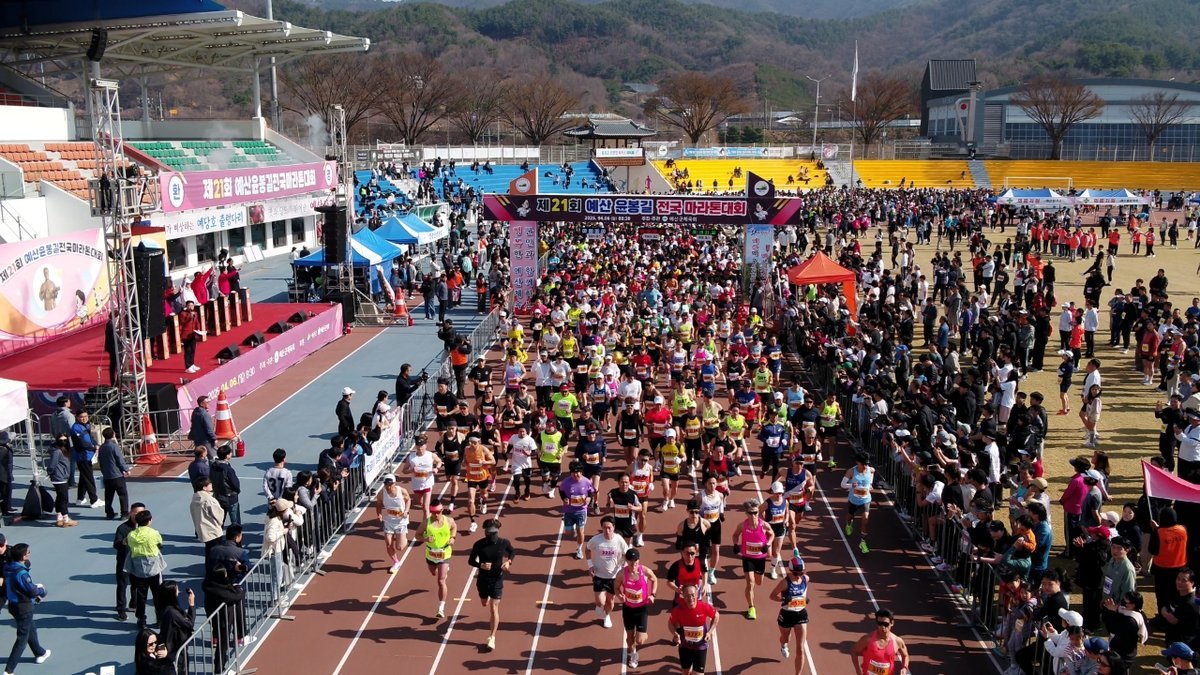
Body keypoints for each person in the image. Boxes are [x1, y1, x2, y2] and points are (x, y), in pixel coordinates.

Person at [467, 518, 514, 651]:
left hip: (496, 580)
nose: (491, 535)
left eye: (494, 533)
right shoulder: (479, 544)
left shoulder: (503, 542)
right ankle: (485, 598)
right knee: (484, 603)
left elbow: (512, 552)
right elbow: (470, 561)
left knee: (494, 608)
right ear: (485, 532)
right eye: (489, 533)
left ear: (497, 531)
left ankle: (492, 637)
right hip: (482, 579)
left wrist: (508, 562)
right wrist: (480, 565)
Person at [3, 543, 50, 672]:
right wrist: (41, 591)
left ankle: (40, 653)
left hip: (13, 605)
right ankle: (8, 670)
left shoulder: (8, 568)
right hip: (23, 608)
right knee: (21, 640)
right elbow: (31, 591)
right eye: (28, 552)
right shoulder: (21, 573)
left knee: (31, 629)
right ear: (23, 556)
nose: (29, 554)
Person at [585, 515, 630, 629]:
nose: (607, 530)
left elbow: (626, 553)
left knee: (610, 601)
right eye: (604, 528)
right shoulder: (596, 540)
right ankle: (600, 607)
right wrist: (590, 565)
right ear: (601, 528)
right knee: (600, 602)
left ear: (613, 527)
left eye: (609, 528)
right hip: (599, 575)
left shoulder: (619, 540)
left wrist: (624, 564)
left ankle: (606, 616)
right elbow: (587, 549)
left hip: (614, 577)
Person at [615, 548, 657, 669]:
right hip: (628, 609)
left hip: (641, 609)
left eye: (636, 560)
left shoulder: (645, 571)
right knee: (629, 637)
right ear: (627, 561)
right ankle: (632, 654)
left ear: (638, 560)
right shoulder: (621, 574)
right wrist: (620, 595)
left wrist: (652, 594)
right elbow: (616, 588)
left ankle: (642, 634)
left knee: (640, 640)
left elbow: (654, 579)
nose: (634, 563)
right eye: (631, 561)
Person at [732, 498, 774, 620]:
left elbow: (772, 534)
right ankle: (751, 607)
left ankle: (756, 579)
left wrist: (768, 544)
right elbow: (735, 535)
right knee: (750, 582)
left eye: (755, 512)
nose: (754, 515)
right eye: (751, 513)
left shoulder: (764, 525)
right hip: (747, 557)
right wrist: (736, 544)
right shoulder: (742, 525)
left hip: (760, 558)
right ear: (746, 513)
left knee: (758, 582)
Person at [126, 509, 167, 631]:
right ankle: (159, 619)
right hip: (153, 569)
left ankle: (141, 620)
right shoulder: (154, 533)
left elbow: (129, 545)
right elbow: (160, 544)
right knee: (158, 595)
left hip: (139, 570)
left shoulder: (131, 535)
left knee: (141, 596)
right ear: (149, 521)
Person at [416, 502, 457, 619]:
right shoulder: (426, 523)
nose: (436, 514)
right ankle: (441, 571)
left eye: (438, 512)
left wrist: (452, 538)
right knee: (433, 573)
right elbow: (417, 535)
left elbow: (454, 527)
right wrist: (425, 539)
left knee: (441, 581)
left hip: (444, 553)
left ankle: (441, 608)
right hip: (431, 554)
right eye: (433, 512)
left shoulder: (449, 521)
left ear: (442, 510)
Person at [770, 556, 810, 674]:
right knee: (785, 638)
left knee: (800, 648)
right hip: (786, 615)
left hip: (801, 615)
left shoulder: (806, 579)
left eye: (801, 572)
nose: (799, 575)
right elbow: (772, 596)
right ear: (791, 571)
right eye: (797, 573)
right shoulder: (784, 583)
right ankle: (783, 645)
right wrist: (783, 600)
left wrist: (804, 599)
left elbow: (803, 594)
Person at [667, 584, 719, 675]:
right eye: (687, 596)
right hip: (685, 647)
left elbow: (716, 616)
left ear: (697, 595)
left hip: (700, 646)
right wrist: (675, 634)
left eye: (692, 595)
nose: (690, 598)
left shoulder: (704, 607)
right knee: (686, 673)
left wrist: (710, 632)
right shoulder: (678, 610)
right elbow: (670, 623)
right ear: (683, 596)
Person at [849, 609, 911, 675]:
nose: (882, 627)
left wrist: (904, 668)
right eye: (880, 623)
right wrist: (858, 671)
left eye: (885, 624)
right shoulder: (867, 639)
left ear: (892, 623)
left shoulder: (897, 641)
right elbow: (854, 651)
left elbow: (905, 655)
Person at [114, 504, 145, 622]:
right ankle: (121, 609)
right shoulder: (122, 528)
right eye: (136, 512)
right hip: (124, 561)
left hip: (138, 560)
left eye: (141, 513)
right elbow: (116, 544)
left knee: (136, 584)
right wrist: (123, 542)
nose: (139, 515)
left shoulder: (144, 528)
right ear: (131, 513)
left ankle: (134, 603)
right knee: (122, 585)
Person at [374, 475, 411, 574]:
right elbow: (378, 505)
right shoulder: (381, 493)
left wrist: (406, 511)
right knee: (388, 544)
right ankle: (396, 562)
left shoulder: (402, 491)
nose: (388, 487)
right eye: (386, 484)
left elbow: (408, 500)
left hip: (401, 522)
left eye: (390, 484)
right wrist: (379, 514)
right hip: (388, 521)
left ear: (394, 483)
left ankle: (404, 540)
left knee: (400, 547)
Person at [559, 461, 596, 559]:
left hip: (581, 511)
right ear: (570, 473)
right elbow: (561, 491)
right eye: (574, 473)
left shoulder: (586, 481)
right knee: (568, 533)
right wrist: (564, 498)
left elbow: (591, 491)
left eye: (578, 472)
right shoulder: (566, 482)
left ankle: (579, 549)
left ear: (581, 472)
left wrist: (589, 498)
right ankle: (571, 529)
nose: (576, 475)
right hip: (569, 510)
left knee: (580, 531)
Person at [841, 452, 875, 554]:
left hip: (865, 500)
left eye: (866, 463)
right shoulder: (851, 471)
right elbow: (842, 484)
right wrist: (851, 485)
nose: (865, 466)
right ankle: (848, 524)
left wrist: (870, 484)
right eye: (863, 464)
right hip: (854, 500)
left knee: (865, 519)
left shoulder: (870, 470)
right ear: (857, 462)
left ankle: (863, 542)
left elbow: (872, 472)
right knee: (850, 516)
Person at [156, 580, 195, 668]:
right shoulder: (172, 612)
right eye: (176, 589)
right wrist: (191, 604)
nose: (178, 591)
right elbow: (189, 624)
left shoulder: (164, 608)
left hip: (172, 646)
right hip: (176, 649)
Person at [401, 434, 442, 514]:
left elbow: (439, 461)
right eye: (418, 445)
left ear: (425, 445)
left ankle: (427, 519)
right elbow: (404, 470)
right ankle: (427, 511)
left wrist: (437, 468)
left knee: (425, 508)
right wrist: (411, 470)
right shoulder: (411, 457)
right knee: (419, 502)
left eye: (421, 445)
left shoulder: (431, 455)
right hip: (416, 484)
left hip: (427, 483)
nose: (420, 448)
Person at [98, 427, 131, 520]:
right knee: (123, 494)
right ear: (113, 434)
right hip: (117, 475)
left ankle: (109, 513)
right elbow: (119, 459)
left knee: (108, 495)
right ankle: (124, 513)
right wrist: (126, 469)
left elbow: (100, 461)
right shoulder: (114, 446)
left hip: (107, 475)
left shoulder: (102, 447)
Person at [69, 409, 99, 507]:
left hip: (88, 455)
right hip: (83, 456)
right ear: (77, 417)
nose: (84, 418)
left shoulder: (86, 425)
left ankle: (80, 498)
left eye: (86, 416)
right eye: (81, 417)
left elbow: (90, 438)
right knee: (89, 478)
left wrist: (96, 444)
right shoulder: (76, 428)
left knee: (83, 477)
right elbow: (82, 443)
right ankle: (94, 500)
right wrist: (93, 447)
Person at [189, 477, 226, 552]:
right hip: (213, 531)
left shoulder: (194, 499)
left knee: (209, 550)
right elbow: (218, 515)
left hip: (203, 531)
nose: (211, 484)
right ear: (204, 487)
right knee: (216, 552)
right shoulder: (209, 500)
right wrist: (220, 523)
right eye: (209, 484)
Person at [46, 437, 75, 527]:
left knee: (59, 498)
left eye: (65, 440)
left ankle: (59, 517)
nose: (63, 442)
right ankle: (66, 519)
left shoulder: (62, 451)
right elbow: (52, 465)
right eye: (61, 440)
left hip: (61, 477)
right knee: (63, 499)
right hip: (59, 478)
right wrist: (50, 472)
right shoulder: (57, 452)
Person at [210, 444, 241, 526]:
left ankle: (219, 533)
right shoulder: (228, 469)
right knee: (235, 522)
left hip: (218, 496)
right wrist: (237, 491)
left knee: (219, 521)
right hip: (231, 497)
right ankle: (236, 533)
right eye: (230, 453)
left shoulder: (213, 466)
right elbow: (235, 483)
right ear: (227, 456)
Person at [178, 300, 201, 373]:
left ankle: (192, 364)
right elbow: (182, 323)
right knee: (188, 351)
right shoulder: (183, 314)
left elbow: (197, 322)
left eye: (192, 305)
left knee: (193, 350)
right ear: (186, 306)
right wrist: (189, 317)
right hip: (186, 334)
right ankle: (187, 367)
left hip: (193, 334)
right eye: (189, 305)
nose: (191, 307)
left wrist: (198, 329)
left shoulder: (195, 313)